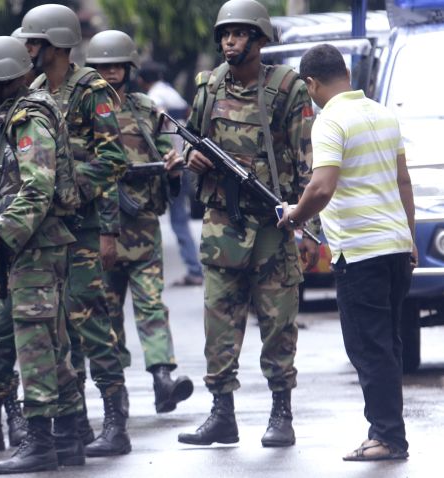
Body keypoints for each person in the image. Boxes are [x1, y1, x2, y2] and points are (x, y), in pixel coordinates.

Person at [176, 0, 320, 448]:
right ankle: (222, 413)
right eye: (225, 35)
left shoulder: (287, 88)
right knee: (219, 324)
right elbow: (190, 140)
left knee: (279, 325)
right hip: (223, 227)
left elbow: (305, 160)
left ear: (259, 40)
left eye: (239, 34)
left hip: (274, 226)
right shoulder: (210, 86)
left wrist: (302, 219)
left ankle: (282, 413)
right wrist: (190, 159)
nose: (229, 42)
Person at [279, 44, 416, 461]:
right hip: (394, 248)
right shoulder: (382, 114)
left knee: (369, 348)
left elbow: (321, 186)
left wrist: (293, 214)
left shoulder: (329, 121)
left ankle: (388, 438)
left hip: (360, 254)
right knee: (386, 346)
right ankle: (389, 433)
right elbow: (404, 182)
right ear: (347, 74)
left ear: (311, 83)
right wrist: (408, 238)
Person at [0, 36, 84, 473]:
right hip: (27, 249)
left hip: (36, 247)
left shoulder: (29, 118)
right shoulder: (10, 115)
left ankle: (40, 441)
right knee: (50, 342)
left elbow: (38, 188)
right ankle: (68, 439)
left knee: (35, 346)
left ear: (4, 79)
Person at [17, 4, 132, 458]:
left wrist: (73, 188)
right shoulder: (37, 89)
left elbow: (114, 159)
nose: (27, 48)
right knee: (57, 325)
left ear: (56, 45)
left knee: (89, 319)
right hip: (49, 229)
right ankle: (75, 422)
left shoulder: (92, 90)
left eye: (34, 41)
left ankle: (116, 422)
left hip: (83, 226)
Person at [85, 30, 195, 415]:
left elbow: (166, 152)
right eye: (103, 66)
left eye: (117, 65)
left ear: (129, 69)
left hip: (142, 226)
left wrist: (172, 166)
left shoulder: (144, 108)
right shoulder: (82, 111)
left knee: (151, 306)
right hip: (101, 230)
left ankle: (163, 378)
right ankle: (115, 396)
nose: (111, 73)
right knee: (106, 312)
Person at [136, 62, 204, 287]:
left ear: (142, 81)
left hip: (173, 162)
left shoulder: (156, 97)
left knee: (177, 220)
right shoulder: (171, 92)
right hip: (184, 158)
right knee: (179, 218)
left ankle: (194, 269)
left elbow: (158, 126)